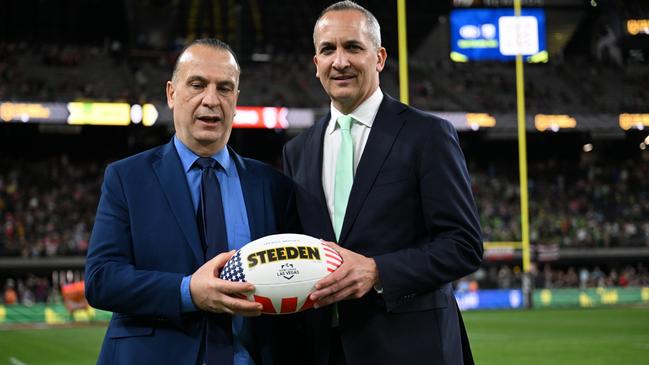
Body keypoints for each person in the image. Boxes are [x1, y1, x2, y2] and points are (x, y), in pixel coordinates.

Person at [282, 2, 483, 364]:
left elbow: (463, 245)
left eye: (353, 47)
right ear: (316, 64)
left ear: (379, 57)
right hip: (326, 351)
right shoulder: (297, 151)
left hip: (412, 349)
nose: (339, 61)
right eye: (328, 49)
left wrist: (378, 270)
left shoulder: (427, 135)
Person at [85, 38, 299, 365]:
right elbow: (101, 280)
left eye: (224, 88)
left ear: (236, 99)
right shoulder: (127, 178)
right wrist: (187, 292)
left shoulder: (272, 185)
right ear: (172, 93)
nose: (211, 100)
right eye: (197, 85)